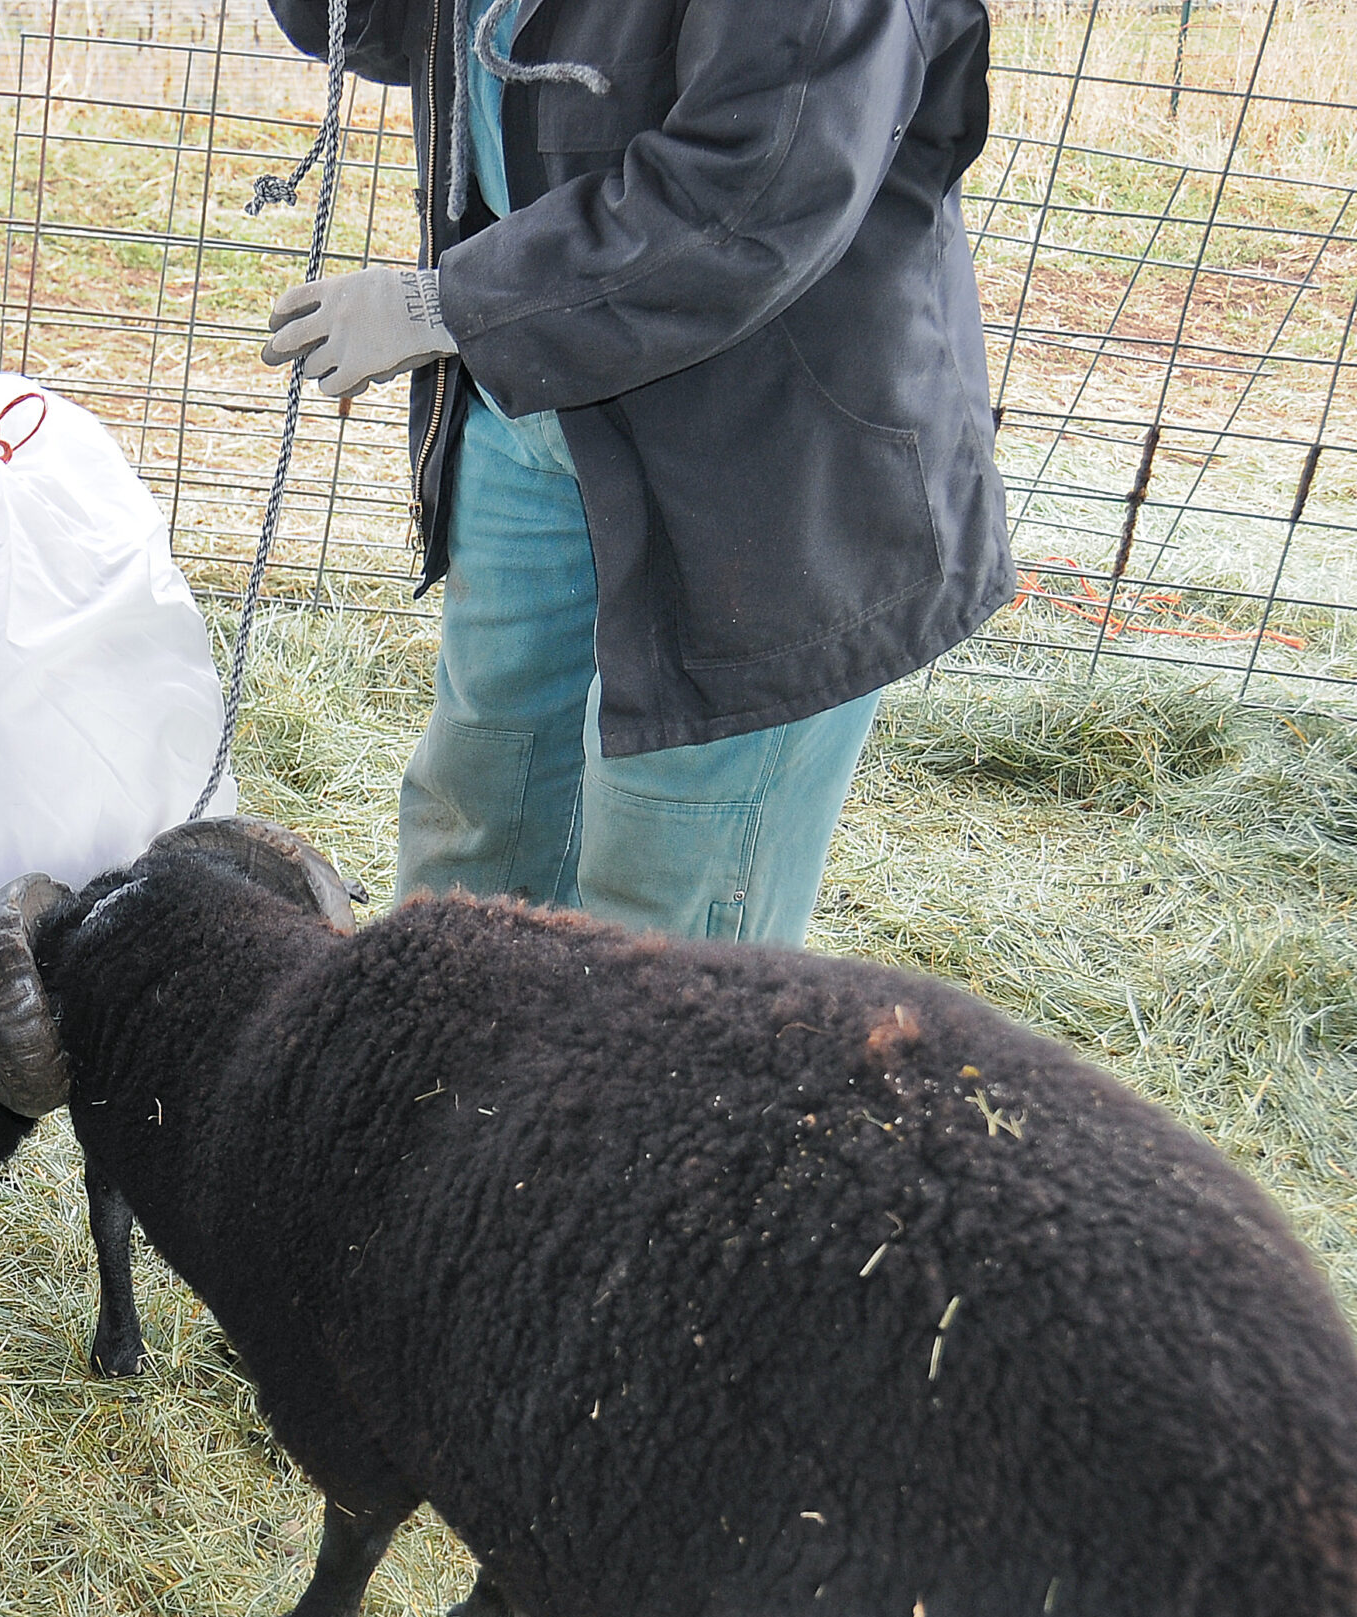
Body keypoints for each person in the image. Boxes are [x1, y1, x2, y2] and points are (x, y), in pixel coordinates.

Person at [261, 0, 1012, 943]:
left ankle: (658, 1091)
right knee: (479, 828)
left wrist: (451, 306)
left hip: (761, 444)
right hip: (536, 396)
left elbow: (756, 190)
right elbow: (384, 26)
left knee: (667, 909)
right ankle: (454, 1080)